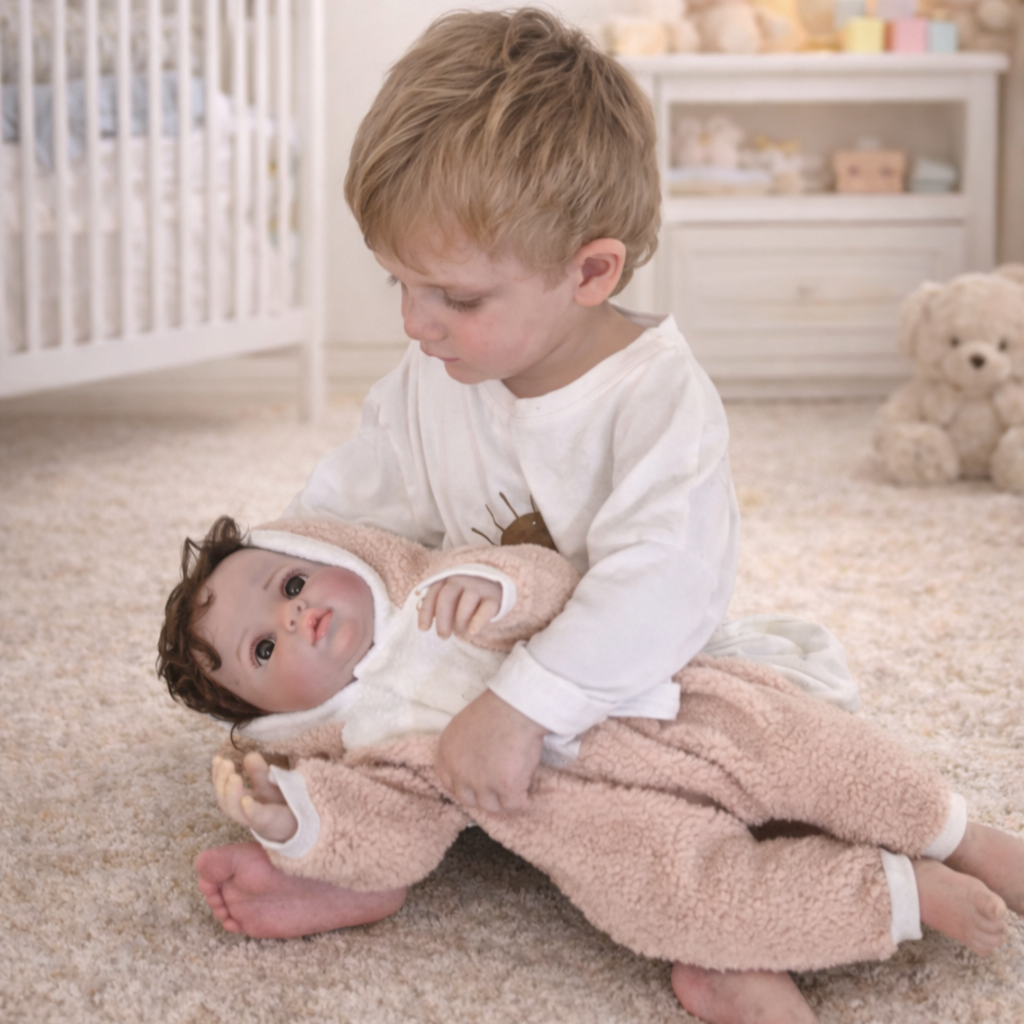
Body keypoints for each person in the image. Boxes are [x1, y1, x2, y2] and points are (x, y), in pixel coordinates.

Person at [177, 8, 1009, 1022]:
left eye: (450, 294)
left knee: (800, 758)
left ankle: (956, 832)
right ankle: (729, 941)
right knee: (626, 856)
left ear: (591, 271)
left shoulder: (651, 398)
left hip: (653, 685)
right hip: (485, 721)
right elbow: (343, 516)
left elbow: (667, 576)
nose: (412, 321)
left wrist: (525, 706)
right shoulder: (426, 376)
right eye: (397, 282)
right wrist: (274, 672)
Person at [159, 515, 1023, 1011]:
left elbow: (556, 580)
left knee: (814, 752)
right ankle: (899, 894)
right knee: (686, 900)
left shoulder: (442, 586)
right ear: (274, 715)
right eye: (263, 648)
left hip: (674, 706)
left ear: (335, 556)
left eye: (292, 584)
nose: (296, 617)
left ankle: (955, 834)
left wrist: (501, 588)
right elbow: (396, 841)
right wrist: (297, 816)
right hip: (600, 827)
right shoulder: (368, 746)